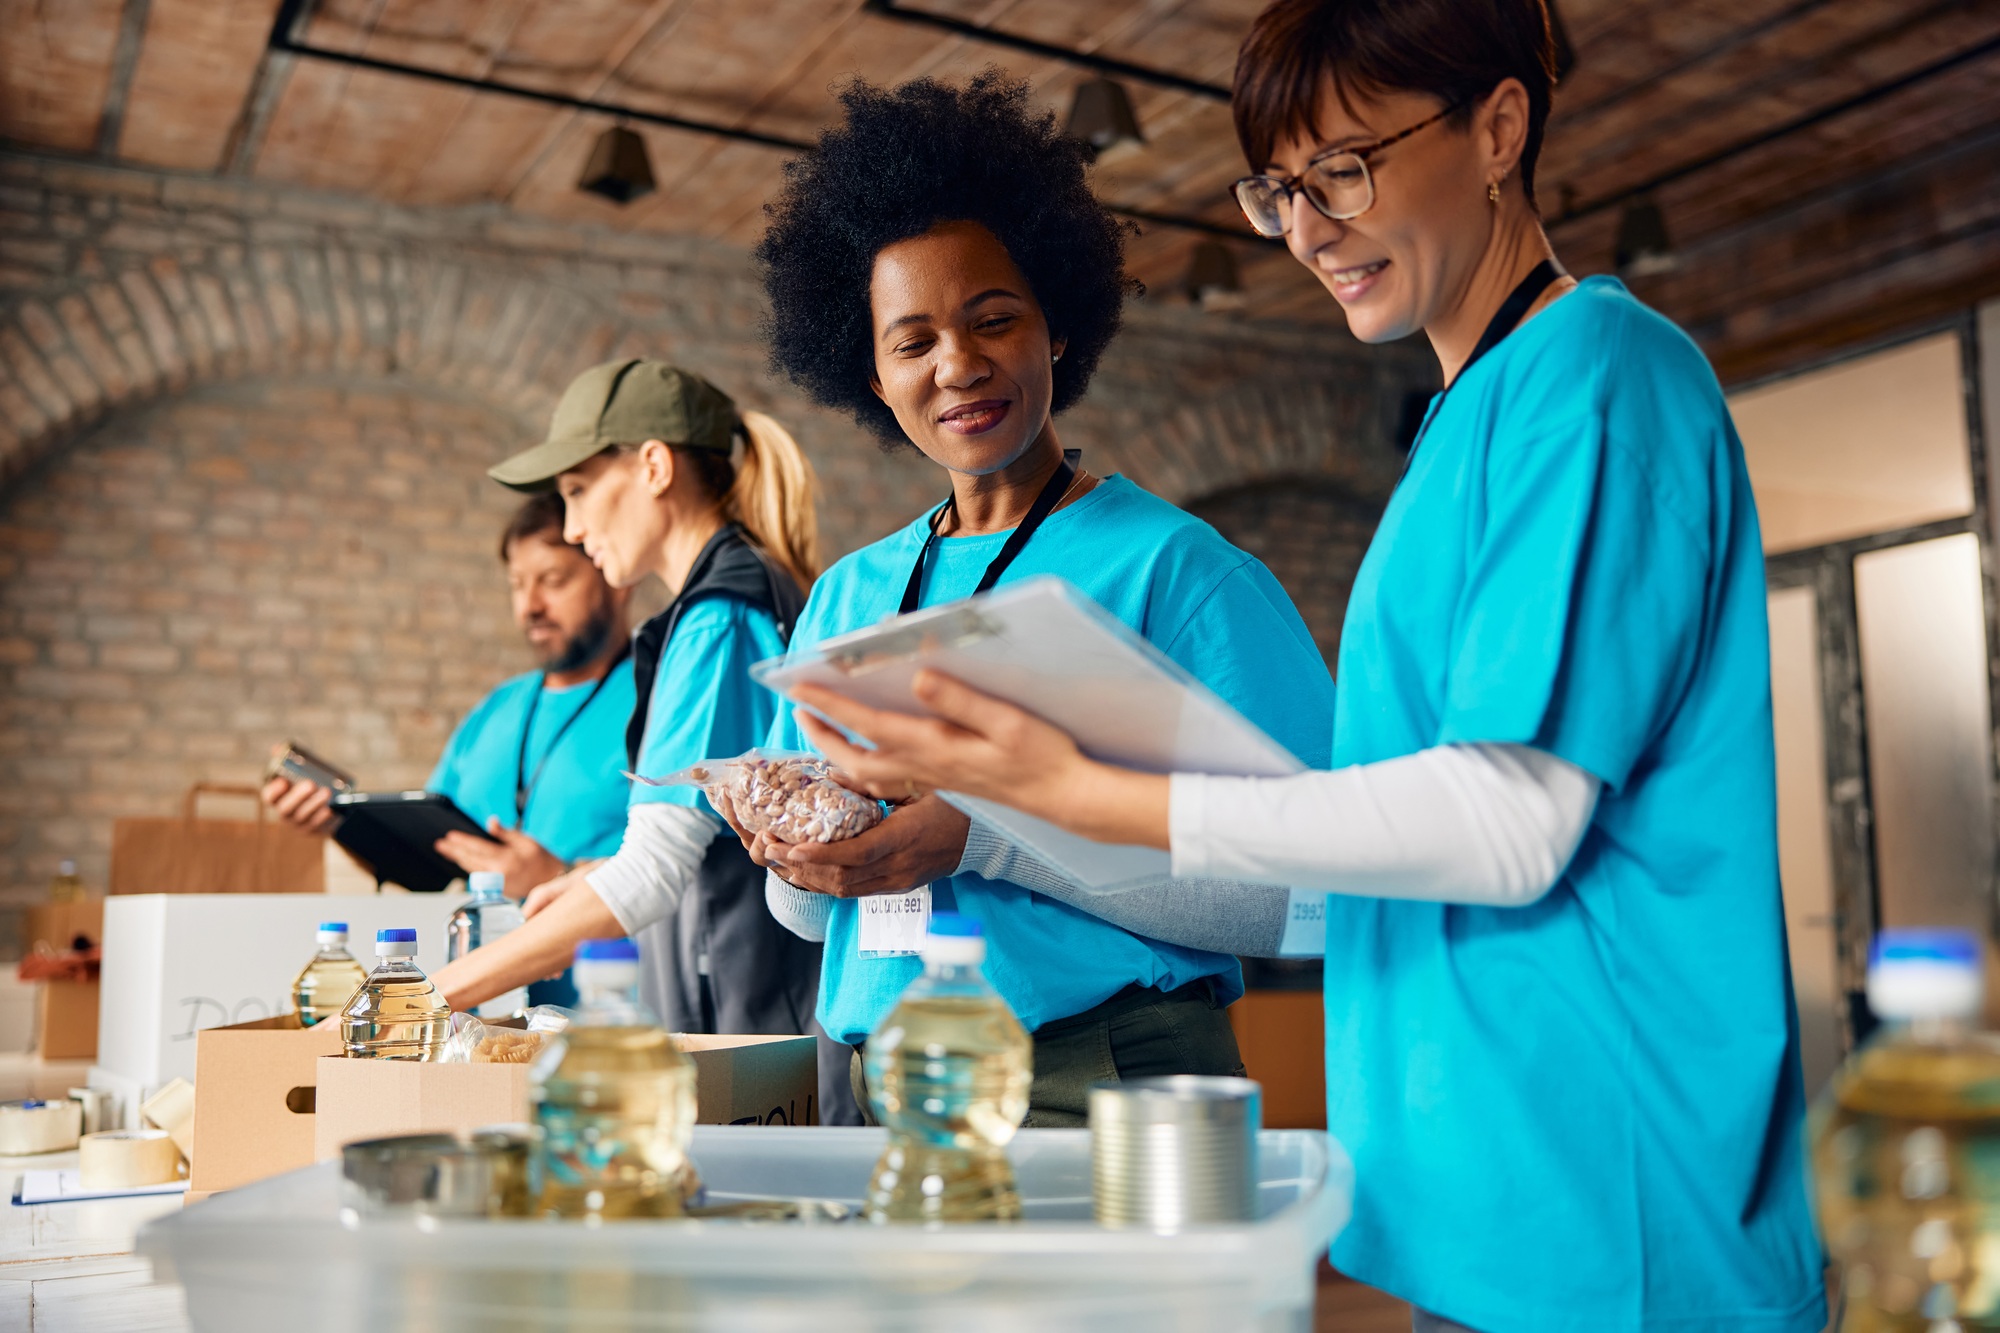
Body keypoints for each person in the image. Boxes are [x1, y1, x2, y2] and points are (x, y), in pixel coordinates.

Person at [776, 2, 1825, 1330]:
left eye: (1346, 169)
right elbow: (1385, 827)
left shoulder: (1594, 377)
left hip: (1612, 1207)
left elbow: (1505, 824)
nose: (1312, 228)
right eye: (1283, 189)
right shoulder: (1464, 423)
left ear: (1501, 128)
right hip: (1484, 1200)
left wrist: (1047, 805)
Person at [744, 73, 1336, 1127]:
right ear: (871, 377)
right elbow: (802, 920)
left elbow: (1312, 898)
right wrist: (801, 860)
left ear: (1055, 328)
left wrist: (983, 836)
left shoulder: (1179, 575)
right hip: (888, 1086)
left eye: (992, 318)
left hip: (1106, 1074)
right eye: (911, 341)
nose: (958, 365)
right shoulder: (846, 596)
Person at [426, 359, 852, 1116]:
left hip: (754, 1030)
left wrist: (427, 995)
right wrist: (594, 868)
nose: (571, 527)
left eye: (579, 491)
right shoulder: (742, 592)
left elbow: (654, 873)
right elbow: (717, 830)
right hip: (760, 1019)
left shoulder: (718, 616)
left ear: (653, 465)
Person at [263, 491, 636, 1004]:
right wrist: (340, 824)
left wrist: (556, 878)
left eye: (553, 580)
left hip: (611, 1015)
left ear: (617, 577)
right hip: (481, 1013)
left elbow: (689, 867)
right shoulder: (497, 709)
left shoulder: (661, 698)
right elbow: (428, 864)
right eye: (517, 585)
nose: (531, 605)